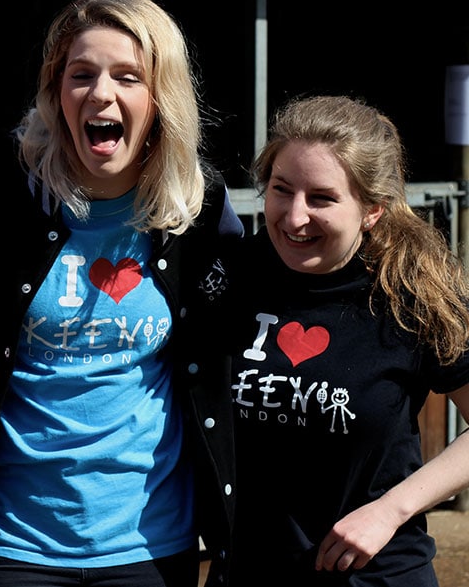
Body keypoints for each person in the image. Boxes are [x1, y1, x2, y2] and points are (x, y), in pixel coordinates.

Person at [0, 0, 244, 586]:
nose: (101, 94)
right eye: (81, 75)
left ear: (161, 98)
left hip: (151, 542)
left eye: (128, 77)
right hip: (15, 543)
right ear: (55, 91)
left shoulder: (199, 207)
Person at [194, 95, 469, 586]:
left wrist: (390, 510)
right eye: (281, 190)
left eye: (321, 198)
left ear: (372, 210)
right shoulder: (230, 277)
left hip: (373, 575)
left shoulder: (411, 294)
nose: (294, 217)